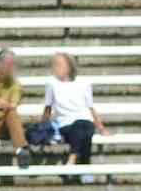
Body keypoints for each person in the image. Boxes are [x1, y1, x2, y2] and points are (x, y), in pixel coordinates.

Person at [43, 52, 109, 180]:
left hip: (85, 121)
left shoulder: (84, 83)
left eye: (58, 65)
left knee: (84, 125)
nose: (54, 68)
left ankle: (73, 158)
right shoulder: (51, 83)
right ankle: (85, 165)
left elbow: (91, 108)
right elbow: (48, 107)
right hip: (65, 123)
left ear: (69, 66)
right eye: (54, 65)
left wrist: (101, 128)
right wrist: (43, 126)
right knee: (80, 127)